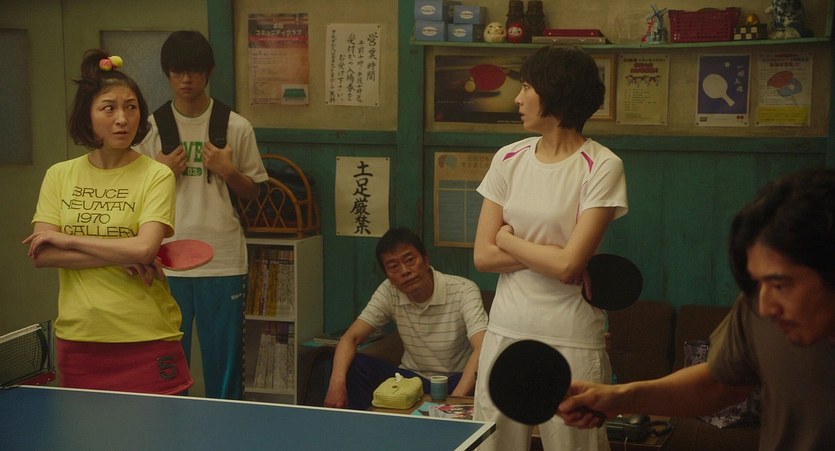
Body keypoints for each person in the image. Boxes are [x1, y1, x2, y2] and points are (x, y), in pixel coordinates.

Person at [558, 168, 835, 450]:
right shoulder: (757, 307)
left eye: (781, 284)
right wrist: (620, 397)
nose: (765, 306)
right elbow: (718, 384)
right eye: (757, 283)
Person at [472, 45, 628, 451]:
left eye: (526, 87)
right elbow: (483, 257)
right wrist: (554, 254)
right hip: (506, 328)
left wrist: (507, 238)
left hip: (571, 334)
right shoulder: (508, 158)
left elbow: (569, 266)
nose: (517, 99)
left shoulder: (603, 165)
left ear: (556, 94)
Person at [23, 49, 192, 395]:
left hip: (147, 336)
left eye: (131, 107)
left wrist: (70, 240)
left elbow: (145, 249)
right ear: (88, 117)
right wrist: (121, 254)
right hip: (80, 339)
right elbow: (42, 253)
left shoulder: (156, 175)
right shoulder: (59, 175)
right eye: (109, 108)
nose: (122, 119)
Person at [133, 30, 268, 399]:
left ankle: (226, 425)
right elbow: (132, 197)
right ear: (167, 73)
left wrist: (228, 171)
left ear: (208, 72)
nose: (186, 80)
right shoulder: (151, 128)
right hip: (165, 258)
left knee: (224, 363)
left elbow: (254, 191)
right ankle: (169, 424)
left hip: (222, 259)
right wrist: (160, 172)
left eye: (193, 70)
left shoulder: (236, 126)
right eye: (177, 71)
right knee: (165, 361)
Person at [324, 227, 488, 410]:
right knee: (355, 365)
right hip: (409, 380)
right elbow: (350, 338)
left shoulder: (463, 290)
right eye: (394, 267)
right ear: (388, 275)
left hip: (456, 379)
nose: (405, 271)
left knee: (488, 373)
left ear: (425, 260)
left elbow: (482, 346)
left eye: (410, 260)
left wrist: (453, 401)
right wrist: (336, 383)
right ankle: (364, 423)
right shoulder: (389, 291)